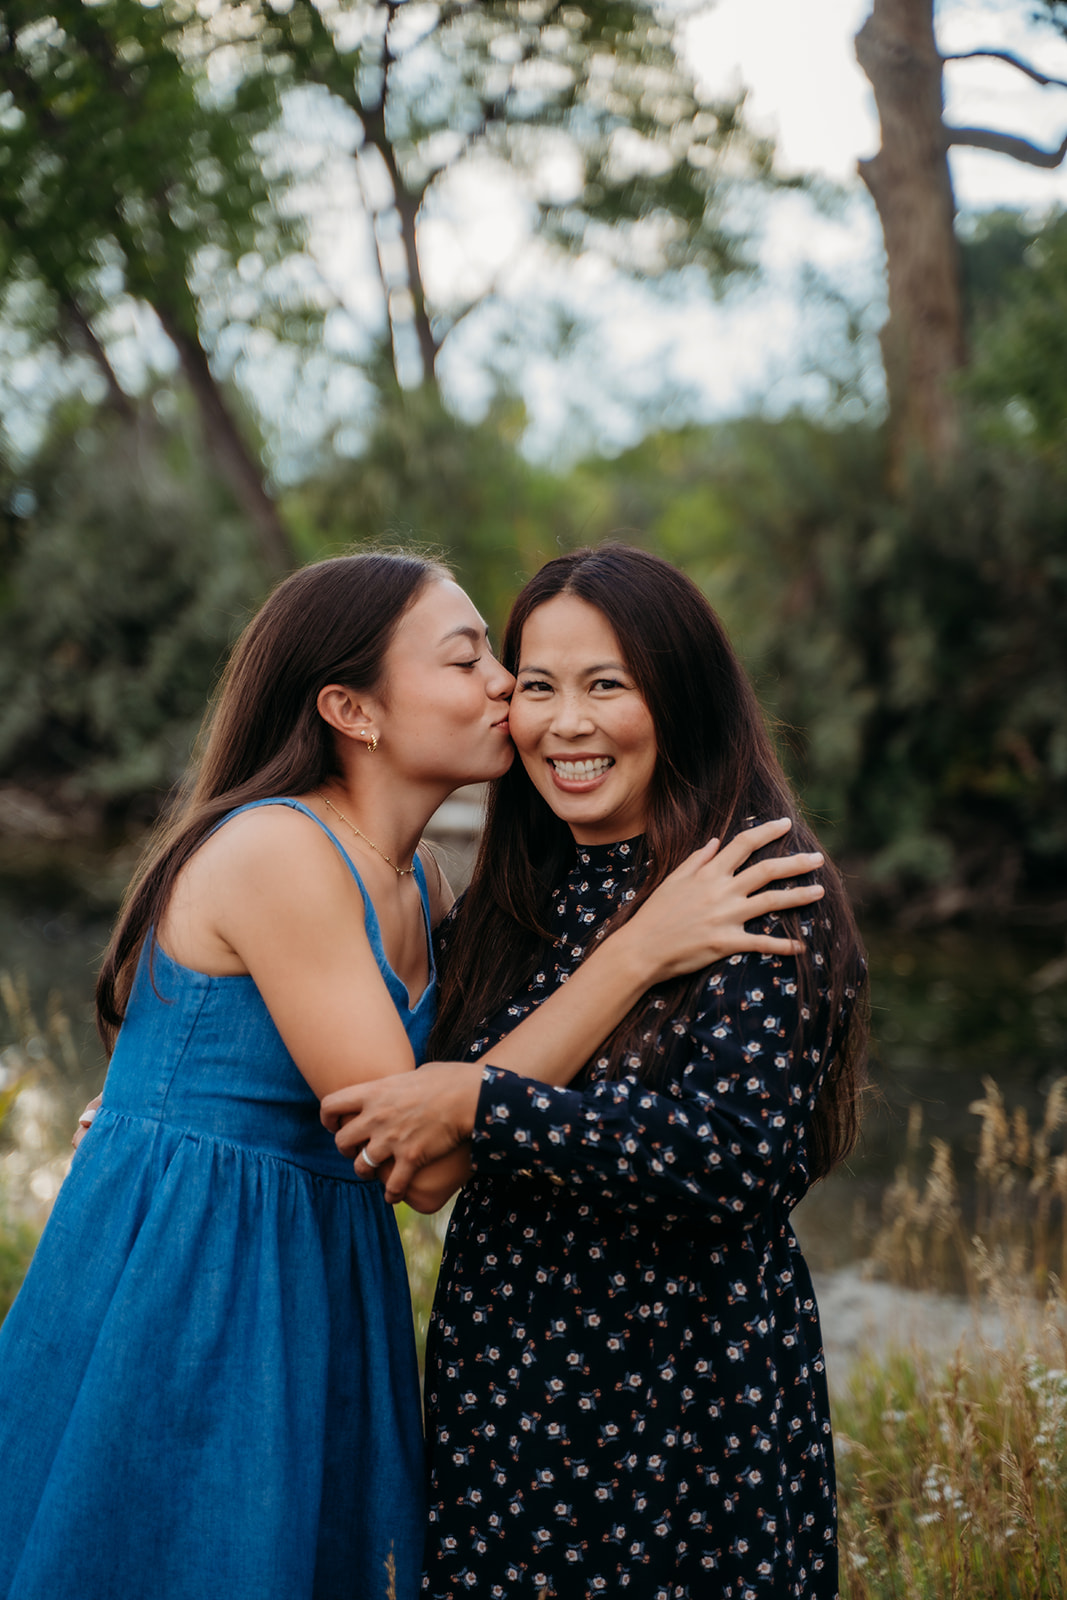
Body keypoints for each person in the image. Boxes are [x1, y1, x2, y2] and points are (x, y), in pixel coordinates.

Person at [0, 550, 823, 1600]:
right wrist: (639, 948)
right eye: (468, 656)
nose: (503, 685)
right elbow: (427, 1157)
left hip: (318, 1256)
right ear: (353, 708)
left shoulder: (424, 884)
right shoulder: (278, 851)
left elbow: (463, 1086)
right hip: (198, 1262)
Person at [324, 544, 869, 1599]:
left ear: (681, 697)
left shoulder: (752, 884)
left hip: (680, 1406)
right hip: (508, 1392)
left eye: (603, 685)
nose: (563, 723)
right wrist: (177, 1098)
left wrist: (491, 1102)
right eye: (536, 686)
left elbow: (735, 1164)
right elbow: (394, 1084)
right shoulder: (516, 897)